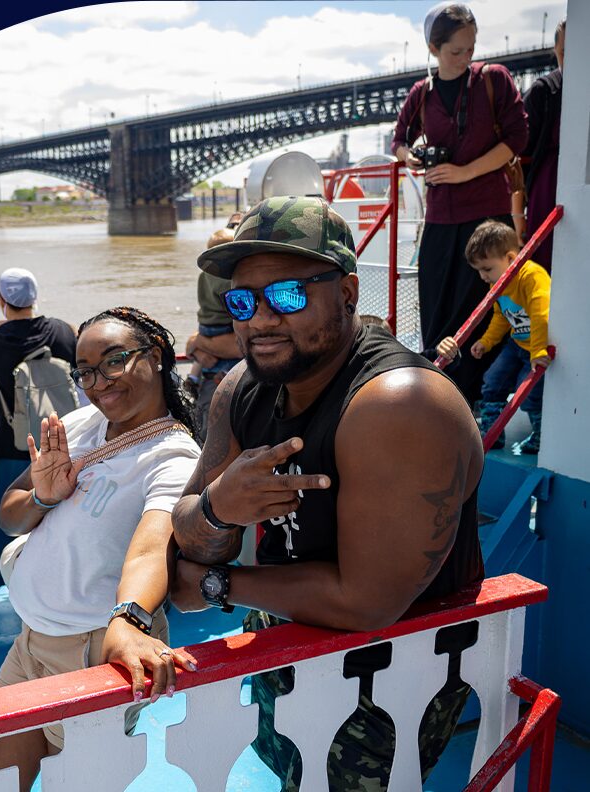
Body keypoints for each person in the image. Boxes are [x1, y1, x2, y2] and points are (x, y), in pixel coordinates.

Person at [169, 196, 485, 791]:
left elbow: (367, 604)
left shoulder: (400, 406)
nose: (259, 319)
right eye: (241, 301)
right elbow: (186, 526)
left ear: (345, 293)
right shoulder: (243, 386)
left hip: (387, 682)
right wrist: (220, 508)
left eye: (286, 295)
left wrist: (215, 585)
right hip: (284, 645)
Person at [0, 307, 200, 792]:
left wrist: (128, 618)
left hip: (84, 652)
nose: (98, 381)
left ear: (158, 356)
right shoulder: (81, 423)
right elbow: (9, 515)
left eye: (114, 360)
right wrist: (44, 496)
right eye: (84, 370)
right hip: (28, 642)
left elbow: (153, 546)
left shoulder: (172, 457)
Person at [392, 2, 528, 406]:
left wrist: (464, 171)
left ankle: (477, 401)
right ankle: (438, 395)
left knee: (484, 310)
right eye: (456, 51)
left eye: (470, 48)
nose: (466, 57)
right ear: (434, 49)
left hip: (486, 215)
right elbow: (398, 141)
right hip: (441, 218)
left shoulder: (494, 80)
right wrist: (410, 157)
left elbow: (517, 138)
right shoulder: (422, 93)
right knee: (436, 306)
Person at [0, 267, 76, 594]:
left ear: (2, 300)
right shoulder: (60, 331)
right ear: (35, 298)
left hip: (16, 445)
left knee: (13, 517)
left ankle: (8, 586)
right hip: (61, 443)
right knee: (62, 520)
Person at [436, 221, 550, 453]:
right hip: (516, 344)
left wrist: (538, 350)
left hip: (536, 345)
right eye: (478, 270)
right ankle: (493, 432)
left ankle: (540, 435)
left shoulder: (531, 277)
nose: (482, 277)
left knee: (529, 392)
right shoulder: (499, 282)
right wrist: (486, 342)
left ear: (510, 258)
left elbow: (541, 314)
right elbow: (501, 316)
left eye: (487, 269)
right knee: (492, 382)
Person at [515, 18, 566, 269]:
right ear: (556, 52)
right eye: (565, 51)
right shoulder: (543, 91)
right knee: (545, 268)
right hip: (547, 194)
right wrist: (517, 216)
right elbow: (518, 156)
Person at [185, 227, 242, 442]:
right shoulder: (228, 280)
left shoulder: (204, 276)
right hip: (224, 378)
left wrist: (199, 343)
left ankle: (193, 376)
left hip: (208, 324)